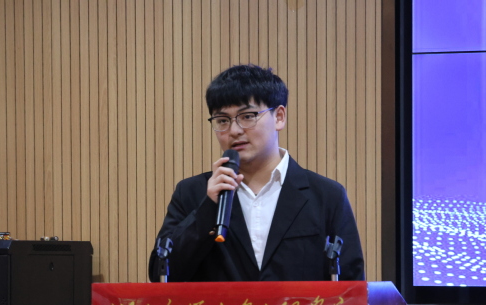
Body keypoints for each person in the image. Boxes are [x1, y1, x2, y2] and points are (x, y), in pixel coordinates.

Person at [148, 64, 364, 282]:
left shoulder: (326, 196)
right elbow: (161, 274)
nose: (234, 130)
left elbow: (350, 285)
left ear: (279, 117)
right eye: (222, 120)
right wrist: (207, 210)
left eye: (247, 116)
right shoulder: (192, 193)